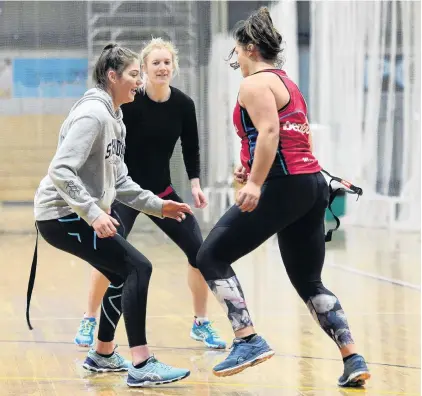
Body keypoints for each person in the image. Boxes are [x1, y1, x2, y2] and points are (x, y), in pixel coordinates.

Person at [196, 7, 371, 388]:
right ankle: (352, 357)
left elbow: (271, 131)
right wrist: (250, 169)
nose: (237, 61)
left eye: (238, 53)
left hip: (285, 185)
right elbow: (286, 138)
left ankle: (247, 339)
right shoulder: (287, 84)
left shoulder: (254, 84)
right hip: (310, 186)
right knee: (310, 281)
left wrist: (256, 183)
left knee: (210, 255)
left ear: (252, 49)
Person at [31, 43, 192, 387]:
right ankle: (142, 362)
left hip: (73, 213)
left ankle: (103, 354)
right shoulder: (94, 114)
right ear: (112, 76)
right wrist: (92, 213)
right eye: (134, 74)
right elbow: (61, 170)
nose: (139, 81)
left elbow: (120, 182)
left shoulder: (115, 118)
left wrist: (158, 205)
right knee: (138, 267)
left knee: (122, 274)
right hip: (60, 215)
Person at [73, 37, 226, 351]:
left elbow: (191, 147)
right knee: (108, 254)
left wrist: (195, 185)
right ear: (143, 69)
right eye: (155, 63)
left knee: (199, 253)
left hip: (162, 192)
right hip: (125, 192)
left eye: (167, 62)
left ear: (174, 68)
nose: (162, 67)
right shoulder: (129, 101)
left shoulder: (184, 104)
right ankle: (89, 318)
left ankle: (201, 322)